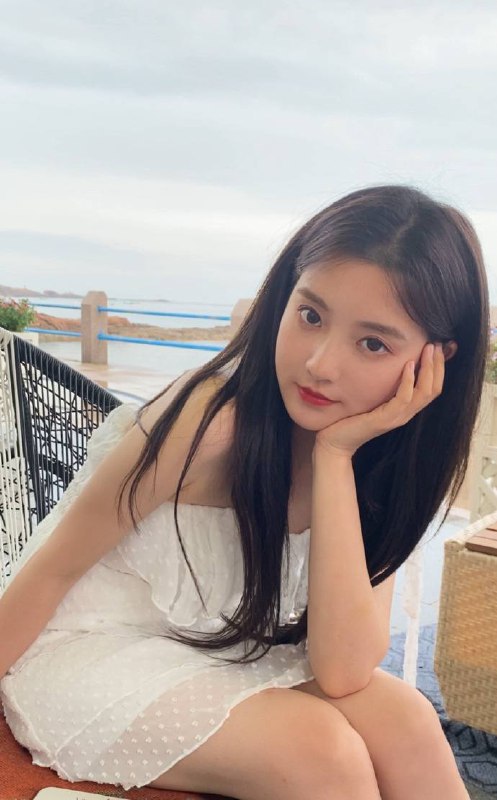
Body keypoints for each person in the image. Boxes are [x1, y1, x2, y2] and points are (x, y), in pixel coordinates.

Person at [0, 184, 487, 800]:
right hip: (85, 649)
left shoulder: (381, 453)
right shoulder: (208, 423)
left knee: (409, 722)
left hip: (214, 652)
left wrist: (337, 457)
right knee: (323, 753)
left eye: (373, 344)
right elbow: (54, 569)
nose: (320, 364)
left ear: (434, 362)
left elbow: (343, 670)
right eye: (311, 316)